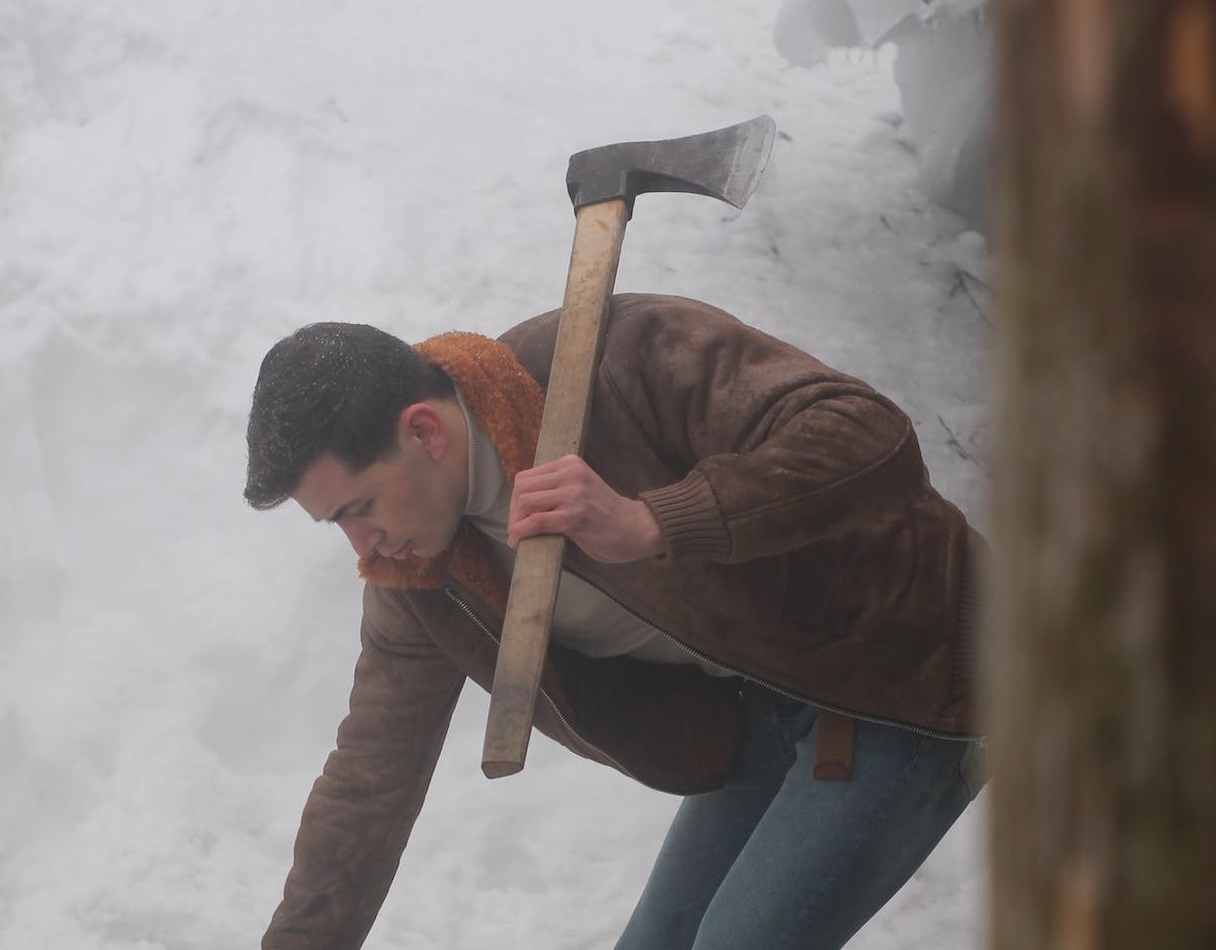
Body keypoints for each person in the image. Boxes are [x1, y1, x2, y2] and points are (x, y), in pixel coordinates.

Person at [245, 293, 987, 950]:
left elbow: (870, 436)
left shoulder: (617, 356)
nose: (361, 548)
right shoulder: (422, 575)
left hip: (911, 662)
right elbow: (367, 784)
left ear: (425, 434)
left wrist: (655, 520)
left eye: (358, 510)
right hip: (771, 705)